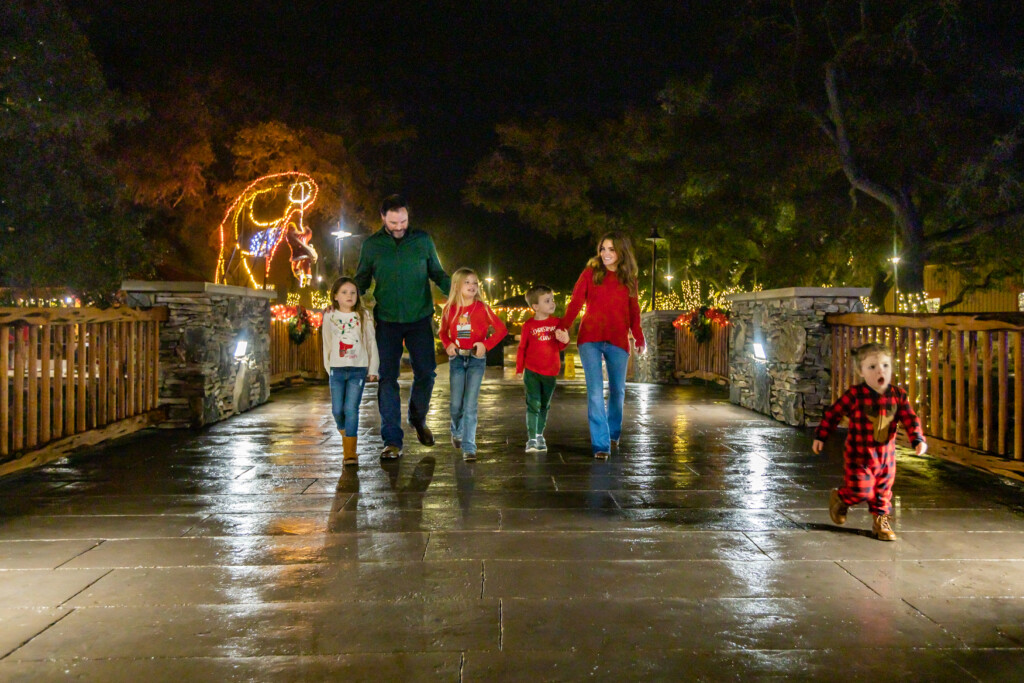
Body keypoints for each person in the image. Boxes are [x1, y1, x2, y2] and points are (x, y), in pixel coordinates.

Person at [354, 195, 451, 459]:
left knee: (427, 373)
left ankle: (417, 418)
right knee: (387, 378)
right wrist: (343, 301)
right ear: (383, 218)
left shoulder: (422, 241)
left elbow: (438, 273)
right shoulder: (372, 246)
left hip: (420, 319)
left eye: (404, 221)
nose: (399, 227)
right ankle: (392, 441)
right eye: (394, 221)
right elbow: (360, 280)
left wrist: (459, 292)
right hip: (386, 321)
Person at [812, 342, 927, 541]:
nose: (880, 371)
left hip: (886, 457)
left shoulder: (898, 396)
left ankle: (880, 522)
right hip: (859, 456)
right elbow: (833, 413)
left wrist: (917, 438)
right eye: (872, 367)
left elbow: (910, 418)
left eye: (885, 365)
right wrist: (821, 435)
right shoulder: (855, 395)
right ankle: (841, 497)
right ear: (862, 372)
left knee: (883, 490)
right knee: (861, 490)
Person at [559, 232, 645, 459]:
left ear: (622, 252)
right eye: (603, 249)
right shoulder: (590, 273)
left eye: (611, 249)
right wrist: (564, 326)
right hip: (590, 339)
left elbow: (633, 311)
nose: (605, 254)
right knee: (595, 392)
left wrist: (639, 336)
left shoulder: (629, 278)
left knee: (617, 391)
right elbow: (576, 301)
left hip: (618, 340)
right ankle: (600, 444)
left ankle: (613, 432)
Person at [439, 268, 507, 461]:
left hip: (477, 360)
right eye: (467, 282)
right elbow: (443, 333)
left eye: (475, 282)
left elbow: (501, 330)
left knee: (470, 404)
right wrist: (448, 344)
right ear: (457, 286)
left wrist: (485, 345)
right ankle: (456, 430)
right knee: (455, 404)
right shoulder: (449, 309)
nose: (472, 286)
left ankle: (469, 447)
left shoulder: (482, 308)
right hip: (457, 360)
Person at [321, 277, 379, 466]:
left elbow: (370, 342)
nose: (349, 296)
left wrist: (373, 368)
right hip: (336, 370)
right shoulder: (329, 316)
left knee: (351, 409)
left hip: (358, 369)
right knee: (337, 410)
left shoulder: (364, 316)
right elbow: (327, 342)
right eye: (344, 292)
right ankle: (345, 431)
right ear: (335, 296)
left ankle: (350, 454)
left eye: (353, 292)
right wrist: (328, 367)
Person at [515, 284, 570, 452]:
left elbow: (561, 346)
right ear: (535, 306)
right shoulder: (528, 326)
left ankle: (540, 435)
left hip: (551, 371)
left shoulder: (557, 322)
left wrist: (565, 339)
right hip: (531, 371)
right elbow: (522, 348)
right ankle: (531, 439)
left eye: (552, 300)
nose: (552, 303)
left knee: (545, 405)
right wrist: (519, 369)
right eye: (547, 301)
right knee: (533, 403)